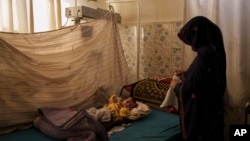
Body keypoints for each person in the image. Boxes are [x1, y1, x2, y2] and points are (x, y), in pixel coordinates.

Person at [171, 16, 226, 141]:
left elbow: (195, 89)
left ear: (197, 34)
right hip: (212, 112)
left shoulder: (204, 55)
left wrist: (177, 86)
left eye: (190, 37)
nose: (191, 43)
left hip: (202, 116)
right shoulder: (213, 51)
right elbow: (204, 77)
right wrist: (185, 73)